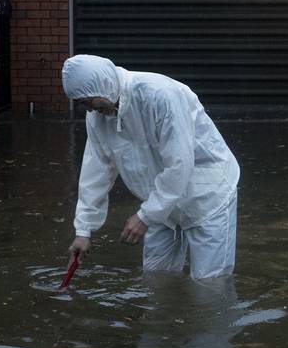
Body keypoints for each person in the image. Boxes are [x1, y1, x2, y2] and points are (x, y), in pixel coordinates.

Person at [62, 54, 240, 282]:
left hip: (207, 196)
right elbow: (96, 171)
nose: (86, 109)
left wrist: (145, 216)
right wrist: (83, 231)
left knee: (210, 285)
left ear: (102, 85)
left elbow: (180, 163)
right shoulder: (99, 116)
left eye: (87, 101)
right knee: (156, 279)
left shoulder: (159, 95)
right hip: (159, 203)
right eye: (80, 103)